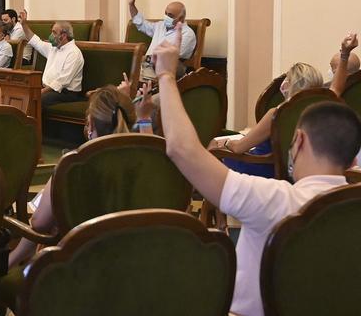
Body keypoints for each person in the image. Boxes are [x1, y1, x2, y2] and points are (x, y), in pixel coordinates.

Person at [152, 24, 361, 316]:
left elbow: (182, 150)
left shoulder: (274, 201)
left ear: (298, 141)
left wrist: (165, 75)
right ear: (353, 160)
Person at [7, 83, 154, 268]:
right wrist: (145, 118)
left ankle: (6, 266)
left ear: (90, 124)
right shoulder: (147, 166)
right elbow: (152, 150)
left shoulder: (72, 167)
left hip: (78, 271)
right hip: (133, 266)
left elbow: (39, 223)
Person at [209, 34, 358, 177]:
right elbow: (337, 88)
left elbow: (239, 148)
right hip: (294, 172)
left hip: (264, 169)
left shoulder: (277, 113)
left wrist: (225, 143)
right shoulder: (321, 109)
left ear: (288, 85)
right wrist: (344, 54)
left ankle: (199, 198)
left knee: (213, 147)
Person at [17, 9, 85, 107]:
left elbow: (62, 82)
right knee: (22, 95)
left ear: (64, 35)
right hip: (48, 89)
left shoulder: (74, 53)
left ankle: (36, 123)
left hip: (66, 93)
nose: (51, 36)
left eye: (54, 33)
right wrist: (24, 24)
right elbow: (35, 41)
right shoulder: (53, 48)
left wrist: (41, 91)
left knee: (36, 100)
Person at [128, 0, 196, 79]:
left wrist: (147, 58)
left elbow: (171, 58)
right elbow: (141, 23)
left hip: (166, 73)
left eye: (170, 15)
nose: (166, 17)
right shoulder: (160, 25)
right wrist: (132, 5)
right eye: (166, 13)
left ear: (181, 18)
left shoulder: (188, 34)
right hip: (144, 68)